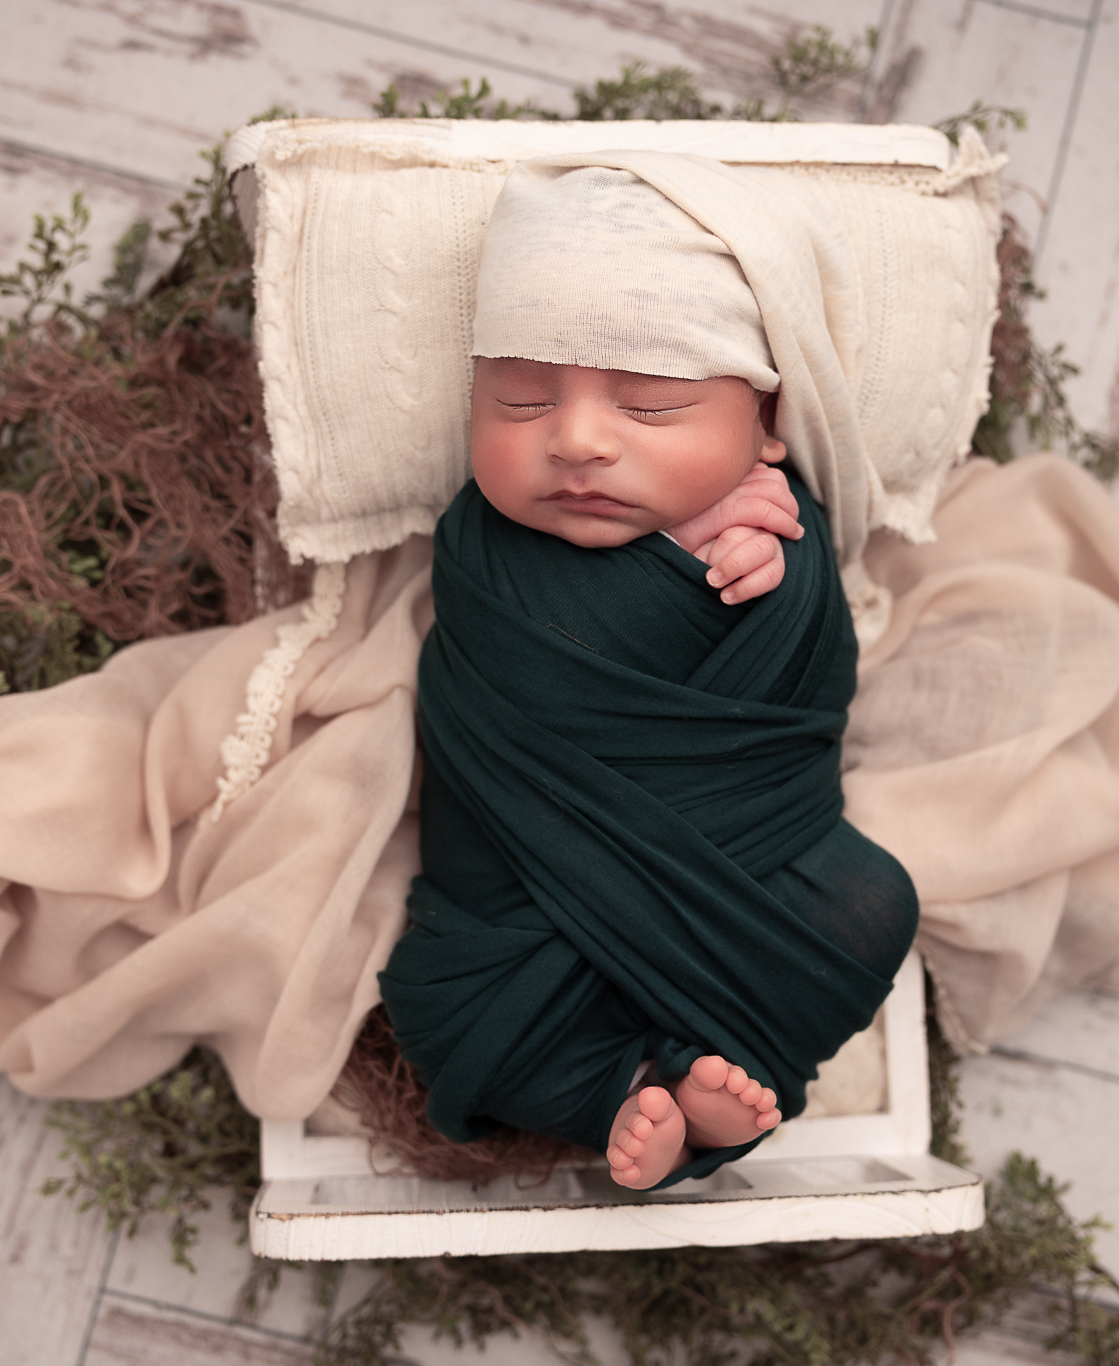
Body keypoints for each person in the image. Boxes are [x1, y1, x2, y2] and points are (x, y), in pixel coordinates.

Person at [376, 161, 920, 1191]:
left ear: (765, 424)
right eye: (521, 399)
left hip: (741, 857)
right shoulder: (482, 551)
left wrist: (781, 580)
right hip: (517, 888)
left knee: (870, 907)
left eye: (653, 407)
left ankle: (681, 1082)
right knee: (440, 998)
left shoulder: (781, 533)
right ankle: (626, 1087)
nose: (575, 439)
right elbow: (520, 670)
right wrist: (666, 565)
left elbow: (809, 696)